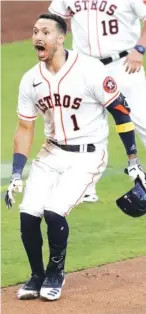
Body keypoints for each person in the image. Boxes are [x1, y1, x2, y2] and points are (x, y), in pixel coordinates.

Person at [5, 13, 146, 302]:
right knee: (28, 214)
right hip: (51, 152)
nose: (37, 37)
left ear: (60, 38)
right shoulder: (31, 80)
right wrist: (17, 172)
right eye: (34, 31)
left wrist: (133, 161)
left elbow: (120, 111)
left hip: (88, 156)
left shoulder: (89, 70)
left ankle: (56, 273)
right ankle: (36, 276)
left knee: (55, 210)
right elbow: (24, 128)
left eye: (44, 31)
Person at [49, 0, 146, 202]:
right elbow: (53, 21)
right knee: (84, 128)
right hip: (85, 69)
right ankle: (86, 187)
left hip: (125, 64)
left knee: (143, 121)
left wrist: (140, 49)